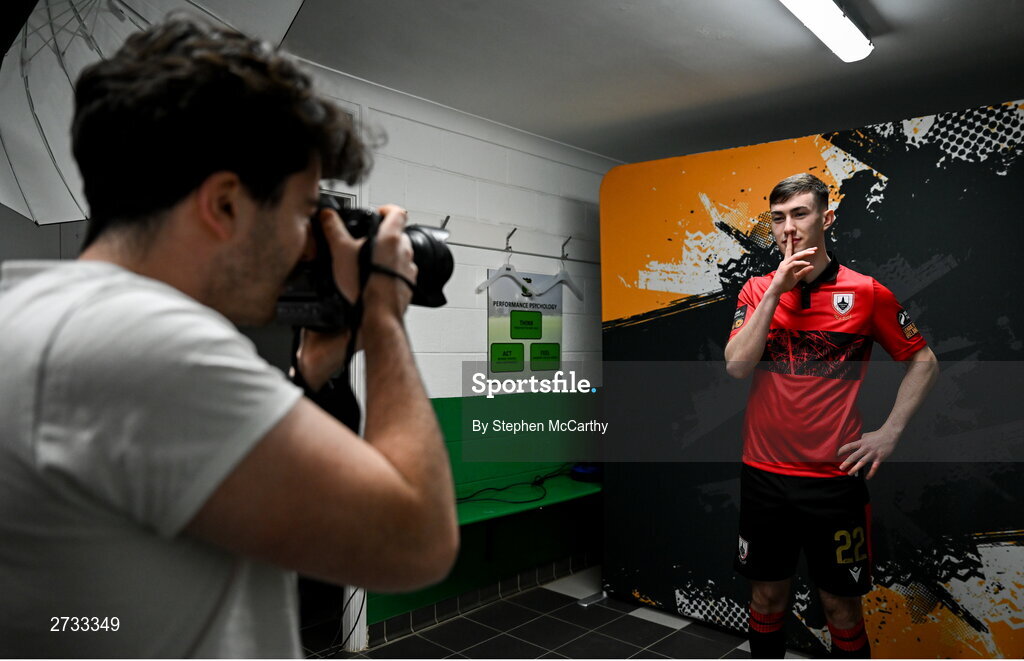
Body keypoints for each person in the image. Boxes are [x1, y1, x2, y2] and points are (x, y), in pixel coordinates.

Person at [0, 16, 458, 658]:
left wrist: (306, 381)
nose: (309, 245)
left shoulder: (29, 310)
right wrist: (383, 313)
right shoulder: (147, 343)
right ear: (224, 206)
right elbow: (417, 543)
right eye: (303, 213)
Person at [723, 173, 939, 658]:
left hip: (833, 480)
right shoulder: (756, 290)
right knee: (767, 596)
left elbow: (923, 361)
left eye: (800, 213)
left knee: (840, 607)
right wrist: (776, 291)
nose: (788, 228)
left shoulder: (867, 293)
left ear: (827, 217)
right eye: (778, 218)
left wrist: (889, 433)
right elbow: (737, 367)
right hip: (764, 477)